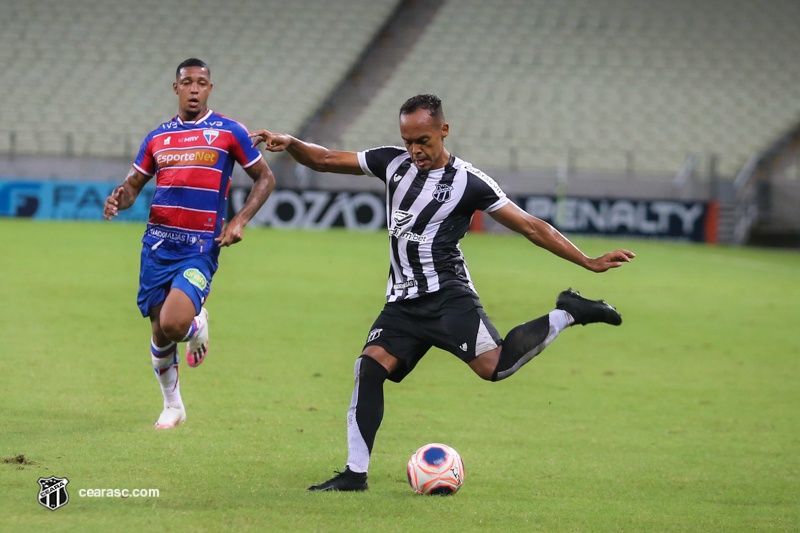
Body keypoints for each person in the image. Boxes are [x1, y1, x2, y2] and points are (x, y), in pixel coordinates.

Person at [250, 94, 635, 491]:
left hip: (448, 296)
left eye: (424, 140)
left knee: (495, 368)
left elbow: (531, 227)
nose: (415, 150)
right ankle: (354, 475)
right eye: (408, 141)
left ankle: (568, 312)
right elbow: (326, 160)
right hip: (402, 301)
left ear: (444, 131)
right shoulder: (392, 163)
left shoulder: (470, 182)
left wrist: (587, 261)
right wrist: (293, 143)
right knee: (368, 368)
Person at [104, 58, 276, 429]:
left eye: (201, 82)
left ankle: (196, 324)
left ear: (210, 88)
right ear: (176, 88)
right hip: (156, 246)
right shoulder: (157, 137)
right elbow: (134, 185)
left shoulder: (229, 132)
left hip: (199, 247)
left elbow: (265, 178)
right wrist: (119, 197)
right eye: (187, 82)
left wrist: (240, 220)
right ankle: (173, 406)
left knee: (175, 322)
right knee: (158, 331)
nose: (194, 88)